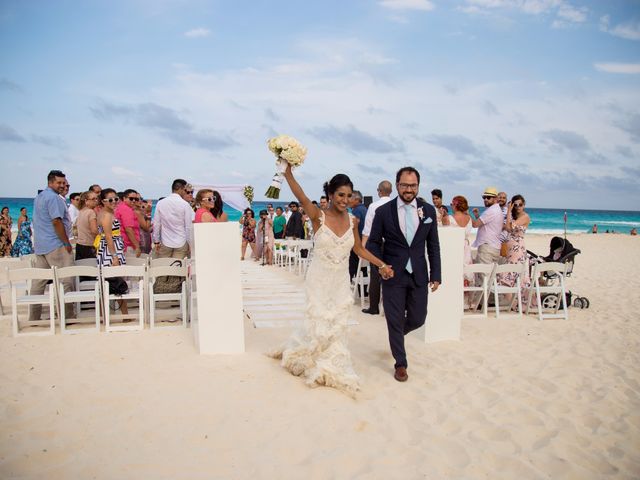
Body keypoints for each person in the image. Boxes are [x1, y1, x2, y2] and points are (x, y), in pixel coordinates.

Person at [270, 165, 393, 396]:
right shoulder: (318, 215)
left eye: (348, 195)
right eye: (340, 195)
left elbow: (358, 249)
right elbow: (301, 195)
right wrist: (287, 173)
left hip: (339, 281)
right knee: (317, 318)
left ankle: (331, 359)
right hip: (318, 278)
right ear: (331, 194)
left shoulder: (354, 221)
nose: (345, 200)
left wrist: (382, 265)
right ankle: (311, 354)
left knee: (337, 321)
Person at [368, 166, 441, 383]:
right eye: (404, 185)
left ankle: (397, 335)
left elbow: (433, 245)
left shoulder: (428, 212)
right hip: (393, 275)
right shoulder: (383, 212)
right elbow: (373, 242)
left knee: (418, 318)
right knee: (394, 319)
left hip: (418, 273)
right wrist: (381, 266)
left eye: (413, 185)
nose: (409, 190)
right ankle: (401, 363)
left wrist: (436, 274)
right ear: (397, 184)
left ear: (418, 186)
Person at [30, 170, 75, 320]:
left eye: (64, 182)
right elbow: (56, 221)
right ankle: (66, 316)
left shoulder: (39, 197)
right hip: (55, 245)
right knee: (65, 280)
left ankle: (34, 317)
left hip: (41, 245)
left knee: (38, 282)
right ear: (50, 182)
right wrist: (66, 242)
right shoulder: (54, 198)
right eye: (59, 183)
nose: (62, 185)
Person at [361, 180, 393, 315]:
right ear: (391, 191)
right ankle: (391, 306)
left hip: (378, 244)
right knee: (392, 273)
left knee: (375, 275)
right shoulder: (395, 205)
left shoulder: (373, 206)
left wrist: (363, 247)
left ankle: (374, 307)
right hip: (393, 244)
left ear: (379, 191)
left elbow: (367, 230)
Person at [96, 188, 129, 316]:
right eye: (110, 200)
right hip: (110, 251)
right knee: (116, 282)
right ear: (103, 201)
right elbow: (108, 236)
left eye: (116, 199)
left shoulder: (106, 213)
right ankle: (124, 315)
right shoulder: (106, 215)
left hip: (110, 249)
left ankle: (105, 315)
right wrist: (114, 256)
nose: (114, 201)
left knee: (111, 283)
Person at [497, 195, 531, 308]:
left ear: (524, 205)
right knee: (510, 276)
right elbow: (507, 228)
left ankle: (516, 304)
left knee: (508, 274)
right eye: (515, 205)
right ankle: (514, 303)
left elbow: (509, 226)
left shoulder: (525, 217)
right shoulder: (515, 217)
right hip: (511, 250)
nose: (518, 207)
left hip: (518, 250)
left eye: (520, 205)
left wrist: (508, 211)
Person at [152, 179, 193, 259]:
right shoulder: (185, 204)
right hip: (181, 241)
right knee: (177, 268)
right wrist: (190, 243)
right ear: (181, 189)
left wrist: (156, 241)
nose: (185, 192)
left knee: (163, 267)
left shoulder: (161, 203)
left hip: (165, 240)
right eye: (185, 190)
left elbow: (157, 224)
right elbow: (188, 226)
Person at [471, 187, 503, 266]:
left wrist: (466, 212)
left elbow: (475, 224)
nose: (485, 199)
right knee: (490, 276)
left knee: (483, 276)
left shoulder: (491, 211)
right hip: (494, 247)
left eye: (488, 197)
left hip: (487, 248)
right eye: (484, 197)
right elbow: (485, 225)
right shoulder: (497, 209)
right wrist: (477, 215)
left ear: (495, 198)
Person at [448, 196, 474, 289]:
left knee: (455, 272)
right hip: (466, 248)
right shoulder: (469, 218)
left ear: (455, 205)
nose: (451, 206)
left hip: (454, 247)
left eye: (452, 204)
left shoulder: (450, 218)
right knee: (466, 272)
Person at [115, 189, 145, 257]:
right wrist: (137, 246)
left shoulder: (121, 207)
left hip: (123, 243)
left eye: (136, 199)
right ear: (124, 198)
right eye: (131, 199)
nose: (134, 200)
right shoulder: (126, 209)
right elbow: (128, 229)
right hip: (128, 244)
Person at [348, 190, 368, 280]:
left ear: (357, 199)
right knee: (363, 268)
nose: (348, 200)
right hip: (364, 243)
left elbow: (353, 226)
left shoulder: (356, 211)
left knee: (353, 267)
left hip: (357, 243)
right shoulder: (365, 209)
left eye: (350, 198)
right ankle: (363, 290)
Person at [75, 191, 99, 260]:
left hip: (79, 244)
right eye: (93, 199)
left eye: (96, 198)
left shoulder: (81, 211)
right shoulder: (91, 212)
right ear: (86, 201)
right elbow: (94, 230)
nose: (96, 201)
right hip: (89, 245)